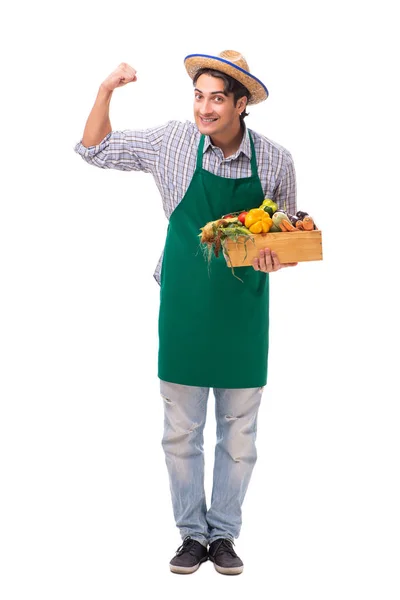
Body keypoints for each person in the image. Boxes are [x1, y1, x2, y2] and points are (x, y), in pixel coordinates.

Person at [74, 49, 298, 575]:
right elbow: (95, 148)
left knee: (239, 435)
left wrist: (276, 258)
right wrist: (106, 90)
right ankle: (191, 536)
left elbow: (289, 239)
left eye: (217, 98)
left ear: (242, 105)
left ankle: (224, 534)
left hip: (244, 312)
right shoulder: (175, 141)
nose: (204, 108)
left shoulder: (277, 161)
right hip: (184, 308)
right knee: (181, 432)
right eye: (199, 96)